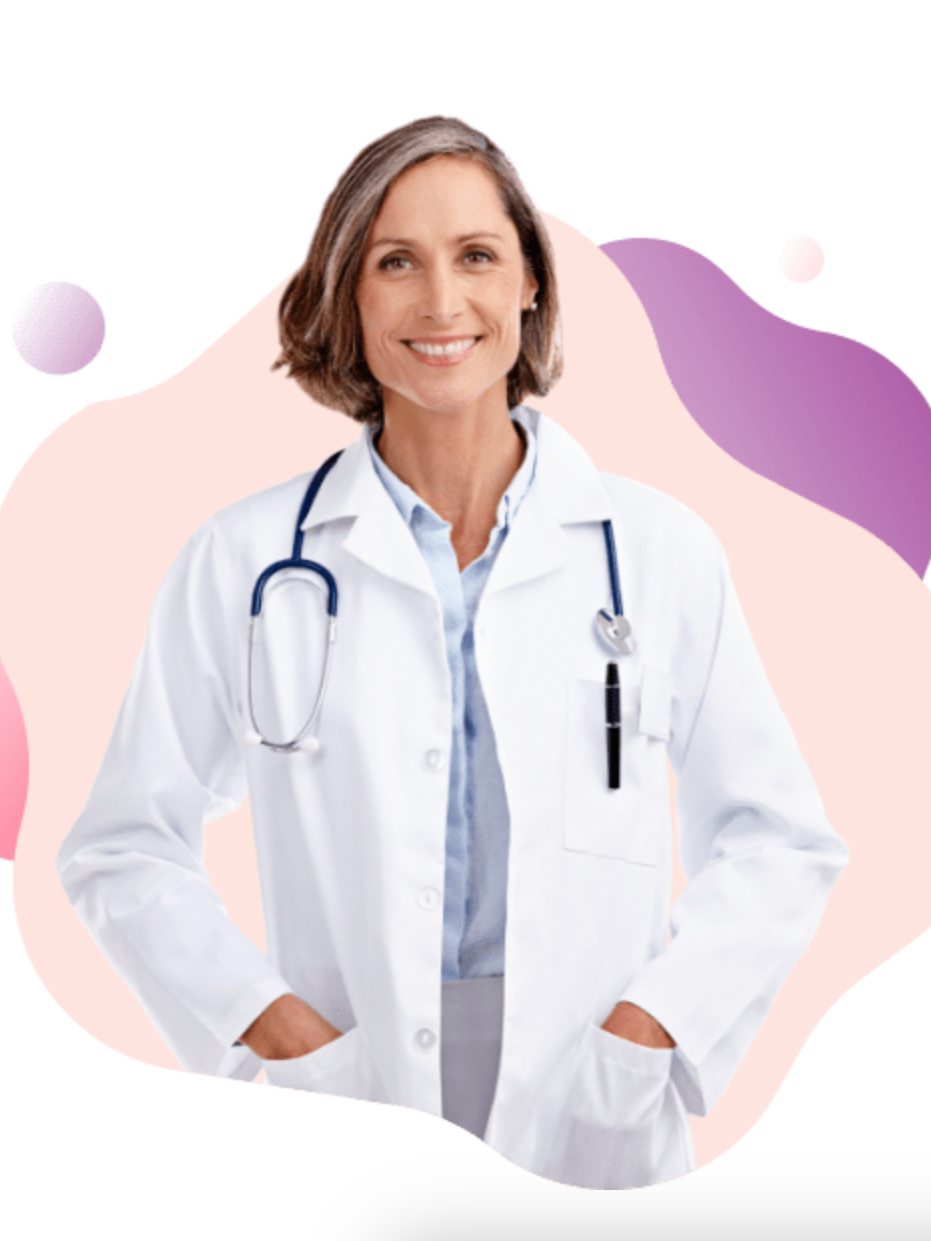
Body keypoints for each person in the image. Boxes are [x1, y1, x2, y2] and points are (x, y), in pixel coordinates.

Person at [57, 116, 849, 1190]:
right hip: (347, 1086)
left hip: (593, 1096)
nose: (440, 303)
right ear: (349, 295)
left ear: (529, 283)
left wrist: (649, 1030)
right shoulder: (245, 560)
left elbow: (777, 840)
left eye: (476, 255)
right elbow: (122, 844)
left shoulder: (657, 551)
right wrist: (274, 1029)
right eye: (396, 263)